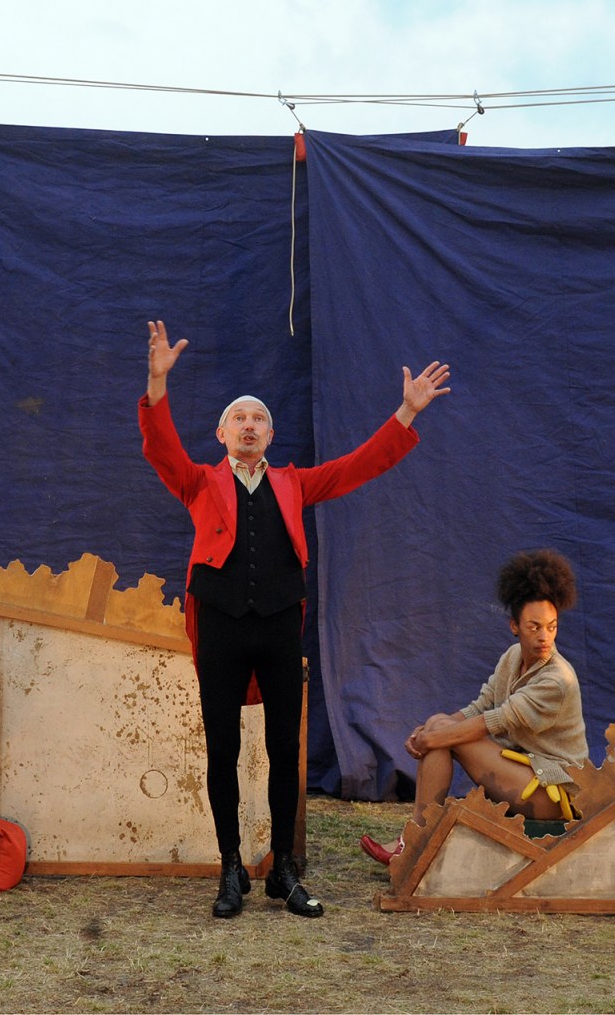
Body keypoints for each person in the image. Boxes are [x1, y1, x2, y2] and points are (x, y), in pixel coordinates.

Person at [139, 320, 449, 919]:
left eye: (259, 419)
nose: (249, 425)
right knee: (222, 749)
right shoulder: (200, 482)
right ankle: (231, 869)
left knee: (286, 750)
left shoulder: (292, 482)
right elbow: (160, 448)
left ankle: (283, 868)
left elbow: (360, 466)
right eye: (239, 418)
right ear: (222, 433)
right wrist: (156, 384)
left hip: (279, 625)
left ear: (271, 434)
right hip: (223, 626)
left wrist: (405, 415)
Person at [361, 549, 588, 866]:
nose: (544, 637)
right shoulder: (512, 658)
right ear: (514, 626)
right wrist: (430, 728)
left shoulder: (558, 680)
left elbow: (493, 721)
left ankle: (415, 843)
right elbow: (479, 706)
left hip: (554, 793)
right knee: (440, 723)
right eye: (534, 627)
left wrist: (433, 738)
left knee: (445, 735)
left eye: (551, 626)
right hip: (525, 771)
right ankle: (415, 839)